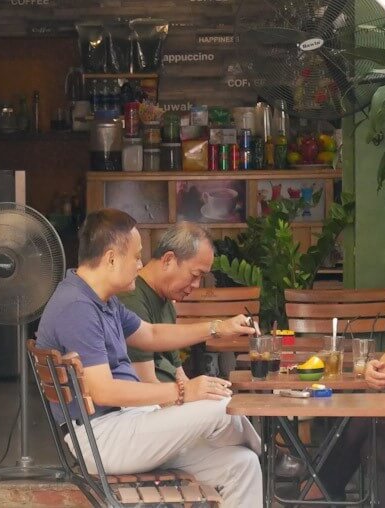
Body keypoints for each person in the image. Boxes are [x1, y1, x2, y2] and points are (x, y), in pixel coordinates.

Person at [35, 209, 262, 508]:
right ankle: (268, 449)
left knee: (242, 464)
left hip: (128, 424)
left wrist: (217, 327)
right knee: (220, 406)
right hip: (103, 438)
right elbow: (102, 390)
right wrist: (182, 391)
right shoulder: (77, 307)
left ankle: (259, 451)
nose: (141, 265)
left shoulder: (102, 300)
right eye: (137, 257)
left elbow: (152, 334)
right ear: (112, 258)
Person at [301, 244, 385, 505]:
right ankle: (323, 486)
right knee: (375, 438)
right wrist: (374, 373)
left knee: (370, 424)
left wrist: (377, 373)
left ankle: (321, 486)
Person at [119, 222, 215, 383]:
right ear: (168, 260)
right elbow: (146, 384)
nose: (196, 285)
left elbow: (179, 372)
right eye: (195, 275)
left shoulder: (167, 299)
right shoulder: (131, 298)